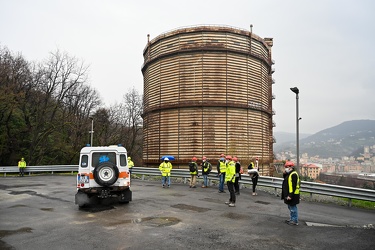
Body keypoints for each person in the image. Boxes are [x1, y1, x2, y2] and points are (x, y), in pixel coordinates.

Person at [282, 161, 300, 226]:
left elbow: (294, 186)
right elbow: (286, 180)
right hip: (290, 194)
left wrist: (290, 195)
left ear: (290, 167)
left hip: (293, 194)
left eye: (287, 167)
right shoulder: (289, 174)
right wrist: (284, 174)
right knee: (290, 207)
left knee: (293, 208)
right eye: (285, 167)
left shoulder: (293, 174)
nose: (285, 168)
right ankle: (292, 219)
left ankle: (295, 220)